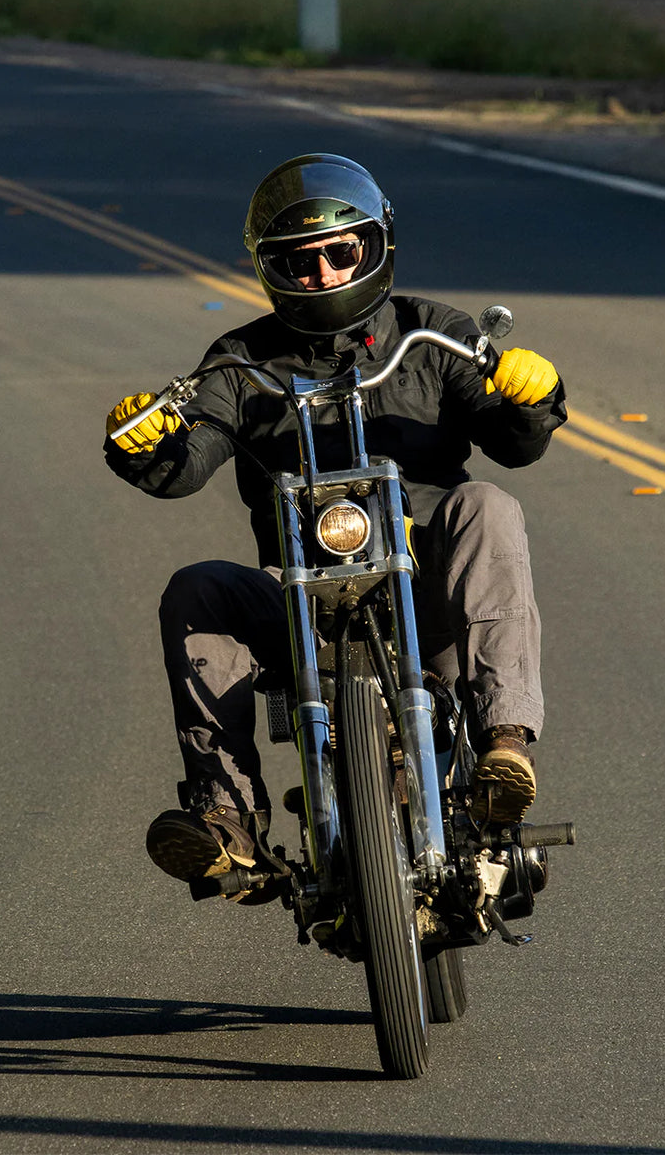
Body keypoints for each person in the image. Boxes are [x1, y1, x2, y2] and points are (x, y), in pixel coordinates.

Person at [105, 153, 567, 894]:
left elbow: (516, 443)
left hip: (433, 597)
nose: (321, 273)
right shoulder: (241, 362)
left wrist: (529, 396)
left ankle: (503, 745)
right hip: (299, 604)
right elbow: (184, 467)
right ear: (270, 271)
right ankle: (229, 822)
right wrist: (146, 443)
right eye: (298, 262)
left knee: (486, 504)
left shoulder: (431, 332)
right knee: (196, 589)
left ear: (375, 246)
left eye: (339, 252)